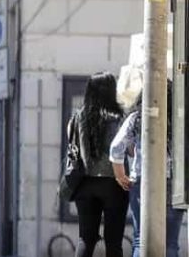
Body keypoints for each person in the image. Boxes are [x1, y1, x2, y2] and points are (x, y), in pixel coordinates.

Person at [110, 81, 183, 257]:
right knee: (171, 242)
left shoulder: (137, 118)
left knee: (140, 239)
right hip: (175, 184)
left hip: (143, 182)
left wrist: (120, 176)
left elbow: (116, 148)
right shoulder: (181, 118)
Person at [67, 72, 127, 257]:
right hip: (113, 183)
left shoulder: (77, 117)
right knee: (114, 241)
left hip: (83, 183)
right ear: (112, 91)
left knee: (85, 238)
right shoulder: (119, 118)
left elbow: (71, 144)